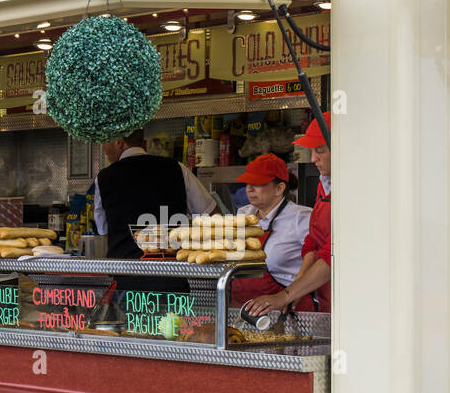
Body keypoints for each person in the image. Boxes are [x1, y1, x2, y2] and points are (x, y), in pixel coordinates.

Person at [244, 113, 332, 316]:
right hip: (324, 300)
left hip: (350, 299)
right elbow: (314, 242)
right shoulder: (325, 186)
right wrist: (296, 289)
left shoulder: (355, 191)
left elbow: (333, 254)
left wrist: (285, 295)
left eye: (320, 151)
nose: (313, 159)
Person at [93, 128, 216, 259]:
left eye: (106, 142)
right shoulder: (177, 168)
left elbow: (103, 230)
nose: (104, 148)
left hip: (126, 272)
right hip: (174, 271)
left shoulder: (103, 178)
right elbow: (211, 213)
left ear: (119, 143)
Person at [229, 154, 313, 307]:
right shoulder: (243, 215)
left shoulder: (301, 218)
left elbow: (315, 257)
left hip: (286, 311)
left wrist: (291, 294)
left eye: (258, 183)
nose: (250, 189)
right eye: (248, 183)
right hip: (242, 309)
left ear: (279, 188)